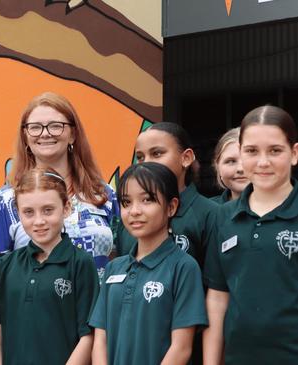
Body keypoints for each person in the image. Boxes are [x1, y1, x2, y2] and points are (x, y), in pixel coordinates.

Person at [0, 92, 118, 280]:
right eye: (35, 127)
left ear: (73, 134)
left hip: (99, 307)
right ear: (25, 136)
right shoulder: (3, 200)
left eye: (56, 126)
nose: (45, 133)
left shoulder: (104, 194)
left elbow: (123, 260)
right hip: (34, 307)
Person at [203, 105, 298, 364]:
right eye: (252, 151)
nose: (263, 162)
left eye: (275, 150)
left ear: (294, 153)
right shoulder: (223, 216)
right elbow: (217, 298)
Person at [90, 162, 207, 365]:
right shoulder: (113, 268)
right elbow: (100, 339)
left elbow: (181, 347)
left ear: (171, 207)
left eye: (147, 200)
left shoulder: (184, 267)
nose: (134, 211)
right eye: (126, 203)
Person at [0, 168, 99, 365]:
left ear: (66, 208)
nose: (39, 221)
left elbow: (88, 337)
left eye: (48, 210)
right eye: (28, 212)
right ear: (17, 212)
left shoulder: (80, 263)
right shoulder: (5, 266)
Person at [115, 122, 217, 268]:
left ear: (186, 158)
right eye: (140, 157)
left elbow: (217, 286)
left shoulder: (210, 214)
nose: (147, 163)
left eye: (157, 153)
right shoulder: (130, 217)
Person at [210, 127, 249, 203]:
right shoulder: (205, 211)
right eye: (231, 161)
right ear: (217, 166)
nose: (240, 169)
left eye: (247, 160)